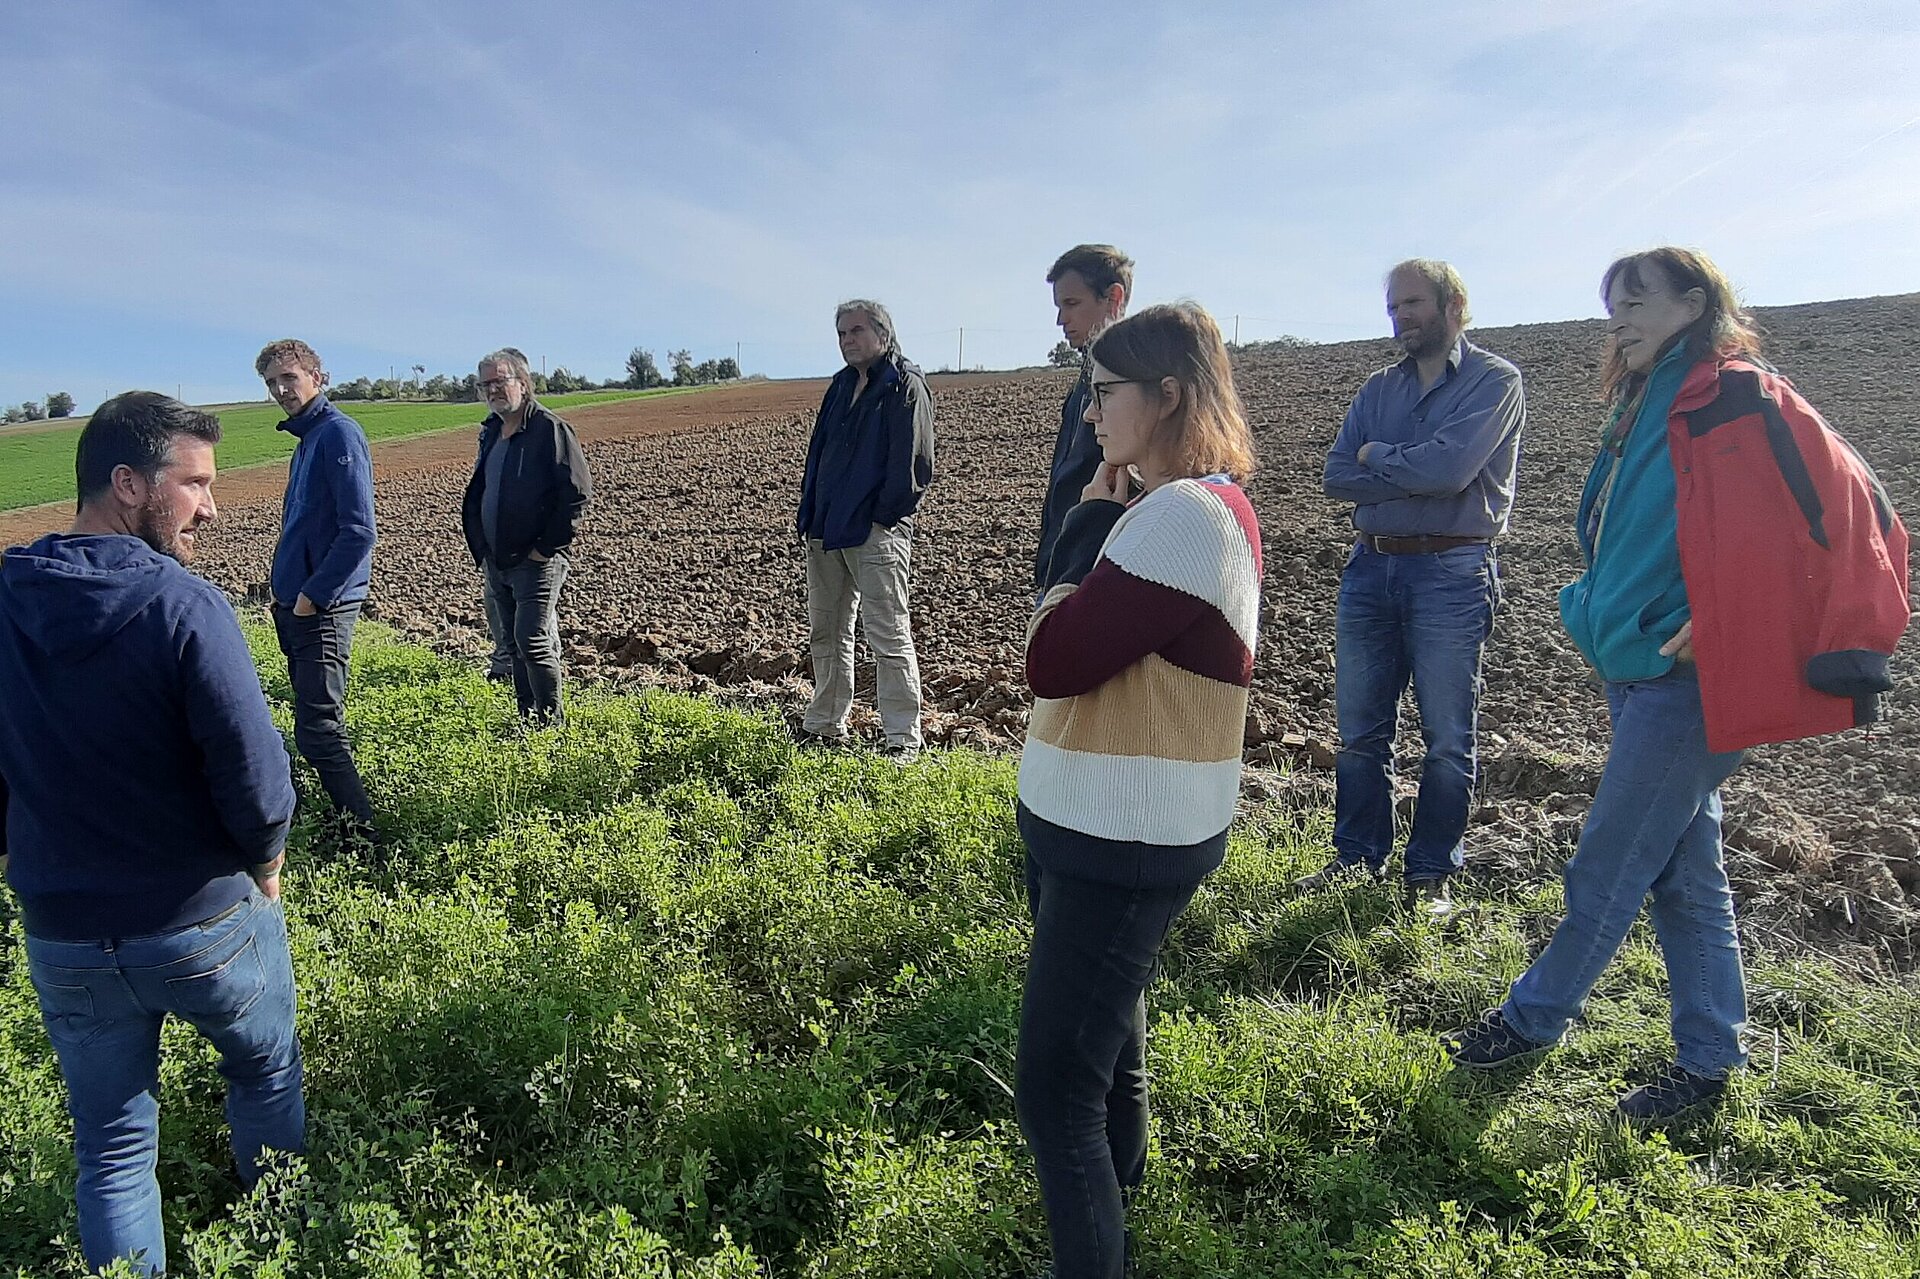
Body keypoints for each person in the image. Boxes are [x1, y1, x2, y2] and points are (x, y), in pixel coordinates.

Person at [1446, 248, 1910, 1121]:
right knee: (1685, 873)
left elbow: (1844, 507)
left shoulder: (1735, 391)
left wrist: (1742, 615)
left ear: (1695, 302)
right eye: (1609, 303)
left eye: (1637, 301)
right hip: (1639, 663)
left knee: (1610, 862)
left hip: (1690, 676)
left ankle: (1529, 1020)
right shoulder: (1643, 400)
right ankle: (1709, 1062)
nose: (1616, 317)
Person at [0, 393, 303, 1277]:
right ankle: (284, 1243)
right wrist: (268, 861)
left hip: (64, 930)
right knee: (266, 1073)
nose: (210, 505)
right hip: (199, 917)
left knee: (112, 1148)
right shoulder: (184, 603)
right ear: (128, 484)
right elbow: (254, 769)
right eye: (194, 483)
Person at [1016, 302, 1262, 1279]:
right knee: (1108, 1043)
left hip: (1122, 840)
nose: (1089, 416)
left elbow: (1054, 657)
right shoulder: (1184, 509)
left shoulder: (1184, 518)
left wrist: (1085, 522)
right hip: (1101, 821)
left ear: (1167, 396)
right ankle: (1122, 1195)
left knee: (1054, 1089)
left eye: (1102, 393)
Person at [1307, 259, 1526, 913]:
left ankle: (1430, 875)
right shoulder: (1378, 389)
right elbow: (1336, 474)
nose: (1402, 317)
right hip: (1370, 566)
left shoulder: (1496, 382)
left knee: (1447, 737)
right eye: (1394, 307)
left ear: (1453, 304)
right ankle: (1357, 862)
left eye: (1413, 304)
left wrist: (1382, 458)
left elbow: (1453, 470)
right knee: (1360, 733)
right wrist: (1407, 467)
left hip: (1452, 571)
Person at [794, 300, 935, 758]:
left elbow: (914, 464)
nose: (847, 340)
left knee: (888, 635)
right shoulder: (838, 386)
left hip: (875, 533)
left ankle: (902, 741)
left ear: (883, 332)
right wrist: (810, 515)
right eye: (841, 333)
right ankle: (825, 724)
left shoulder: (904, 385)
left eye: (855, 330)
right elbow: (819, 454)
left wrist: (881, 519)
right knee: (827, 632)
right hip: (826, 529)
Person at [256, 339, 379, 843]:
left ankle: (364, 834)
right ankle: (334, 819)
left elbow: (359, 531)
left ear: (317, 377)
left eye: (289, 377)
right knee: (311, 725)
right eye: (271, 383)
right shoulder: (308, 440)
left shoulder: (338, 435)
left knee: (320, 729)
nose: (281, 390)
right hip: (298, 604)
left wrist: (312, 597)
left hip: (322, 608)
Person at [459, 347, 593, 724]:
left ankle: (551, 722)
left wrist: (544, 550)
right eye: (485, 384)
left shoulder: (549, 429)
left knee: (532, 642)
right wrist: (483, 549)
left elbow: (576, 494)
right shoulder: (491, 433)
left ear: (523, 382)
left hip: (535, 562)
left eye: (499, 381)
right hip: (497, 559)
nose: (492, 390)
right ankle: (527, 716)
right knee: (515, 646)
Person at [1035, 244, 1132, 590]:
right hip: (1066, 559)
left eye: (1072, 304)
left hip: (1097, 566)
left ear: (1113, 298)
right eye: (1059, 306)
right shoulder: (1085, 378)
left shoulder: (1134, 381)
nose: (1061, 320)